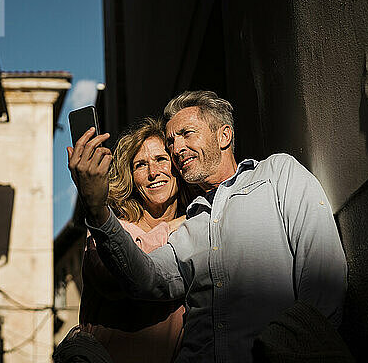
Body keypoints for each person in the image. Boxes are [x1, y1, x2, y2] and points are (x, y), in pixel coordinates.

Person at [67, 91, 348, 363]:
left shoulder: (277, 175)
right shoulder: (191, 224)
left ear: (224, 135)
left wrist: (292, 347)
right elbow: (145, 279)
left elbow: (324, 275)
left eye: (186, 134)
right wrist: (97, 209)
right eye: (171, 141)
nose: (176, 148)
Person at [78, 117, 198, 363]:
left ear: (177, 166)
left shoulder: (197, 227)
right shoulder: (108, 229)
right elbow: (117, 278)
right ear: (130, 176)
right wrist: (172, 226)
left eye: (161, 159)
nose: (154, 173)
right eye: (141, 165)